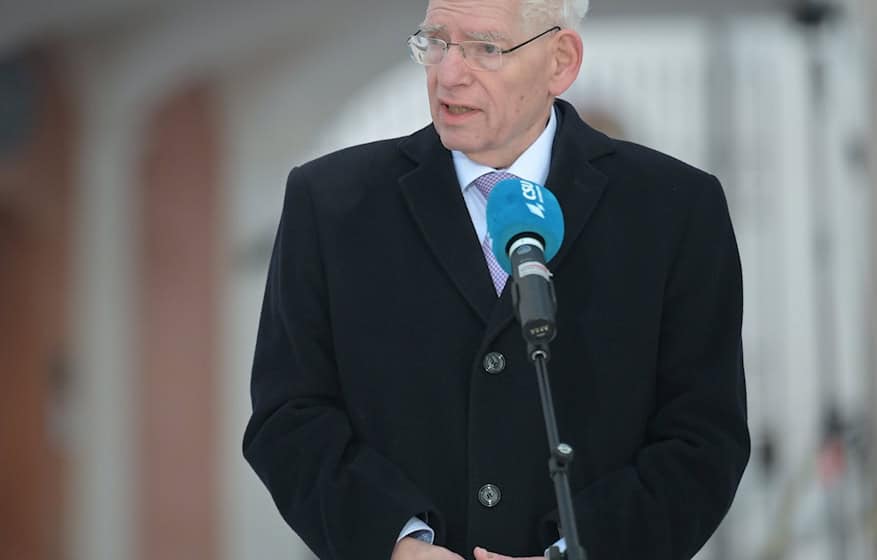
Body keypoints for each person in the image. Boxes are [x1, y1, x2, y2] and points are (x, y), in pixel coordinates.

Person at [243, 0, 750, 559]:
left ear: (560, 60)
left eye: (486, 47)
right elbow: (288, 418)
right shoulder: (332, 205)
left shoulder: (674, 211)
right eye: (436, 41)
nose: (449, 72)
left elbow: (703, 440)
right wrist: (398, 543)